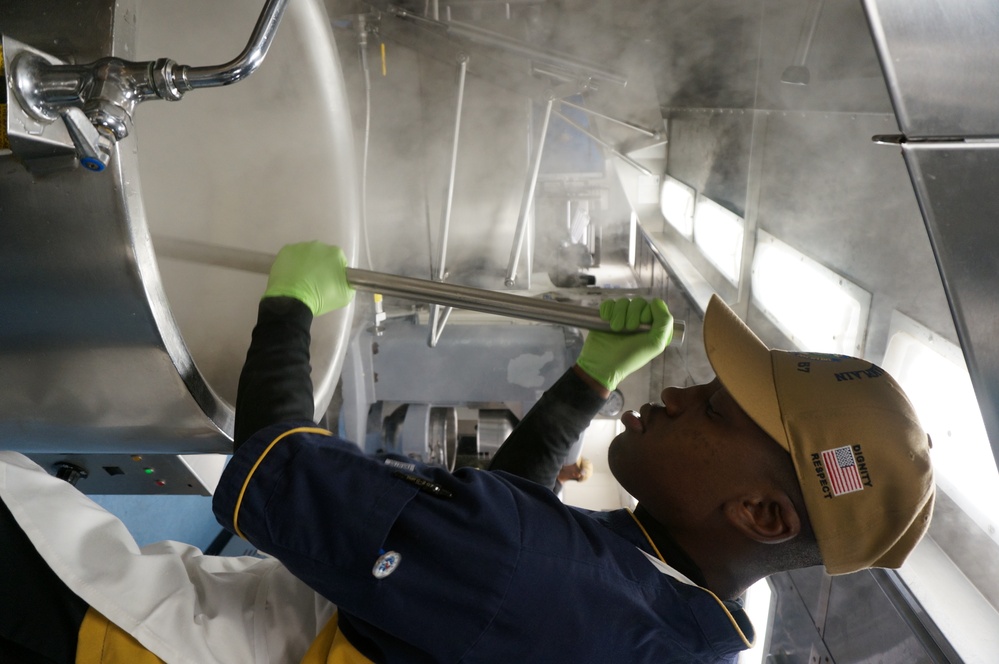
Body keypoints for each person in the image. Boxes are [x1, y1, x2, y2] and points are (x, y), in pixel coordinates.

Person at [0, 241, 935, 663]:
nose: (681, 391)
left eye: (717, 412)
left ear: (764, 515)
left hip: (129, 644)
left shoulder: (547, 587)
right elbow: (494, 533)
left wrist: (289, 309)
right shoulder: (681, 629)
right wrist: (587, 381)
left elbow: (277, 470)